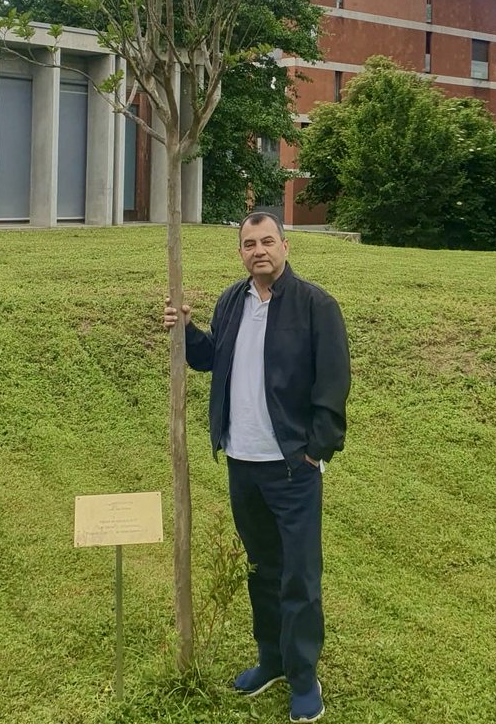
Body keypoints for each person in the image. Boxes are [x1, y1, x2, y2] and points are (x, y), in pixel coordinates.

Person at [164, 211, 351, 724]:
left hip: (292, 468)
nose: (259, 250)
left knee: (299, 576)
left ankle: (303, 675)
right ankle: (270, 658)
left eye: (268, 241)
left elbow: (333, 385)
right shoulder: (231, 303)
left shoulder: (316, 306)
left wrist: (316, 450)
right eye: (250, 243)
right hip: (242, 464)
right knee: (261, 569)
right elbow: (212, 360)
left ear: (285, 246)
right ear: (240, 252)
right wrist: (186, 331)